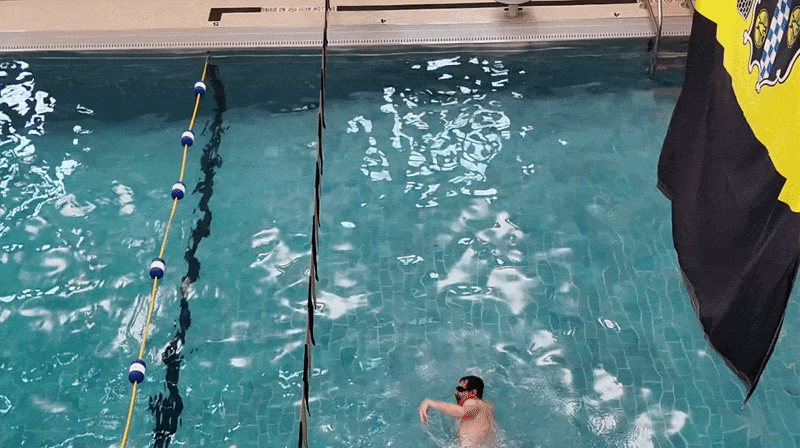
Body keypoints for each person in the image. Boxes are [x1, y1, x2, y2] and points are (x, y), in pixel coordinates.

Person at [418, 375, 496, 447]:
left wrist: (430, 402)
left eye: (460, 389)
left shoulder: (473, 402)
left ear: (473, 393)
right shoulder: (487, 407)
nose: (455, 393)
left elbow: (462, 412)